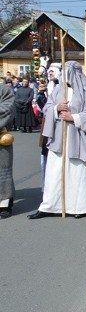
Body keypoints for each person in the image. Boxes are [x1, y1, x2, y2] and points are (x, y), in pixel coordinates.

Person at [29, 61, 86, 219]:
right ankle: (50, 206)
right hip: (59, 137)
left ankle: (80, 206)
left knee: (78, 173)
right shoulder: (58, 89)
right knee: (54, 172)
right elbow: (47, 108)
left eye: (65, 71)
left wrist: (74, 117)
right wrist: (56, 109)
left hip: (79, 137)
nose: (62, 75)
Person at [0, 83, 15, 218]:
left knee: (2, 172)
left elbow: (8, 108)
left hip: (1, 136)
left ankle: (5, 204)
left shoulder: (4, 89)